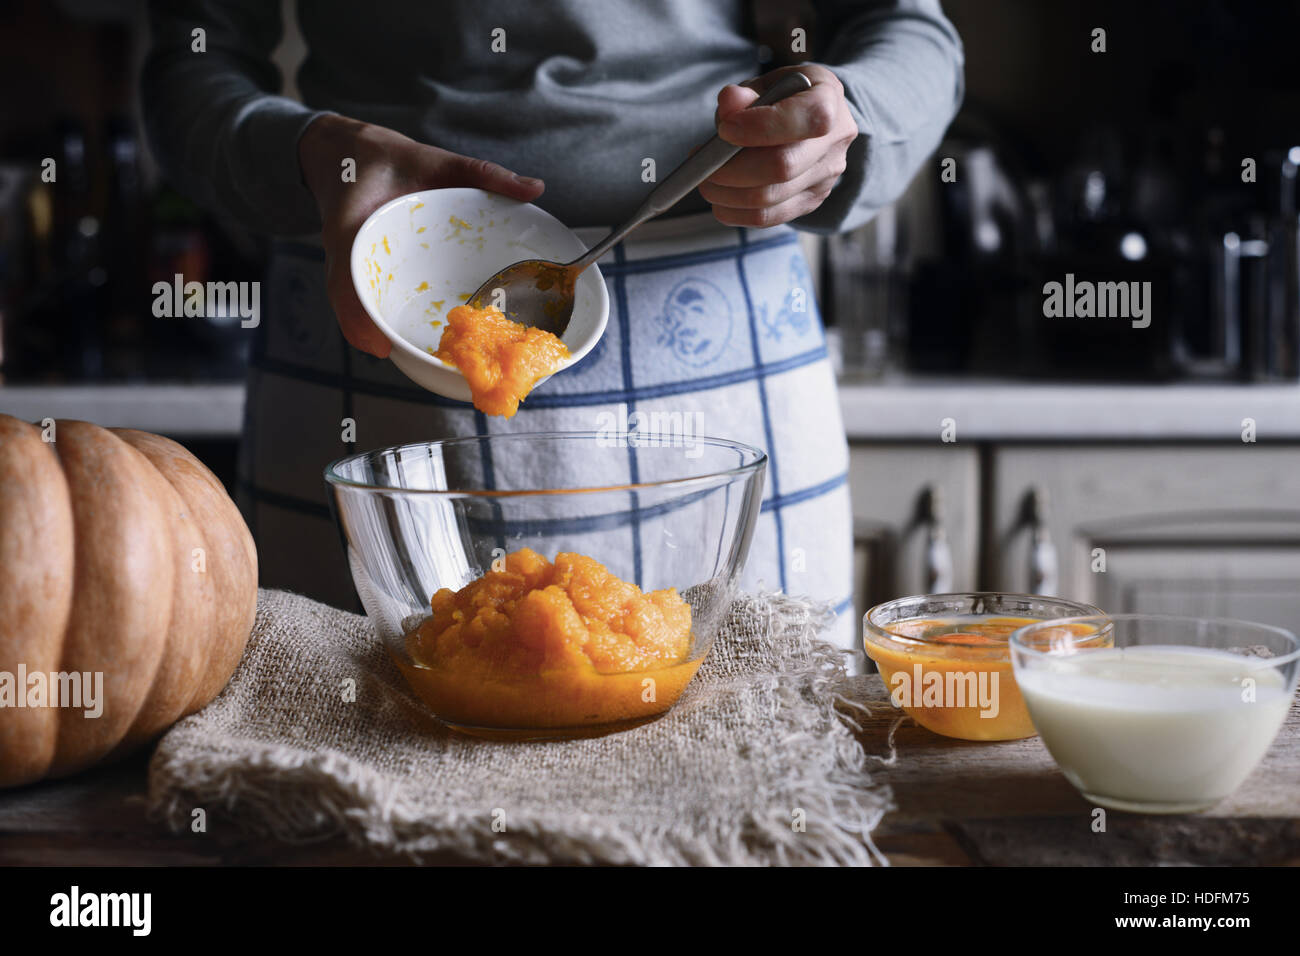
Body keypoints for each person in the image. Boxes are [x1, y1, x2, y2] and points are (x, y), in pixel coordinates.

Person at [142, 1, 963, 650]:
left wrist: (845, 113)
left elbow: (911, 31)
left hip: (712, 311)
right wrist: (312, 154)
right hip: (372, 297)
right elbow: (191, 61)